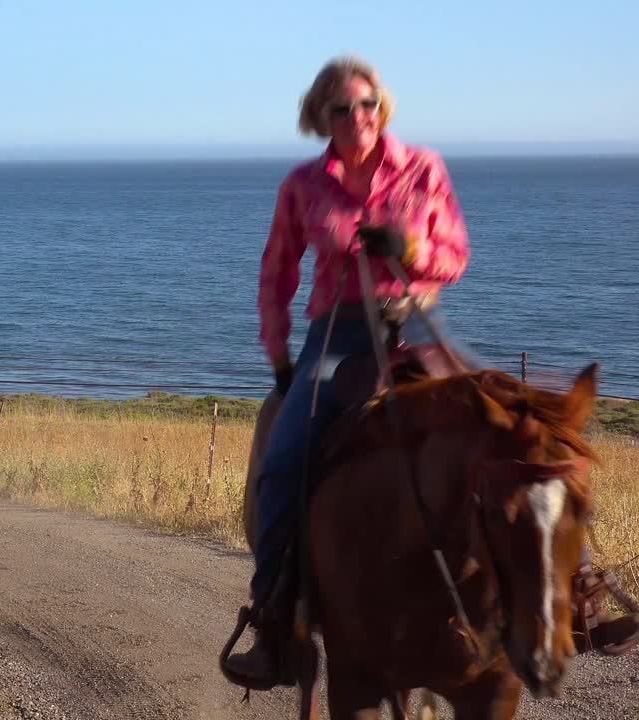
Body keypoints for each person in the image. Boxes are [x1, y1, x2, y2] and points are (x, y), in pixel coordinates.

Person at [223, 56, 638, 690]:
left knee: (527, 432)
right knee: (283, 462)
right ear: (321, 117)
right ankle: (275, 623)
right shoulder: (303, 186)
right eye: (342, 108)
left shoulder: (422, 169)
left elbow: (454, 255)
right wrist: (279, 354)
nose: (357, 116)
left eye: (367, 104)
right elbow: (276, 272)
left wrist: (408, 249)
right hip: (338, 333)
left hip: (415, 325)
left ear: (380, 108)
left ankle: (580, 598)